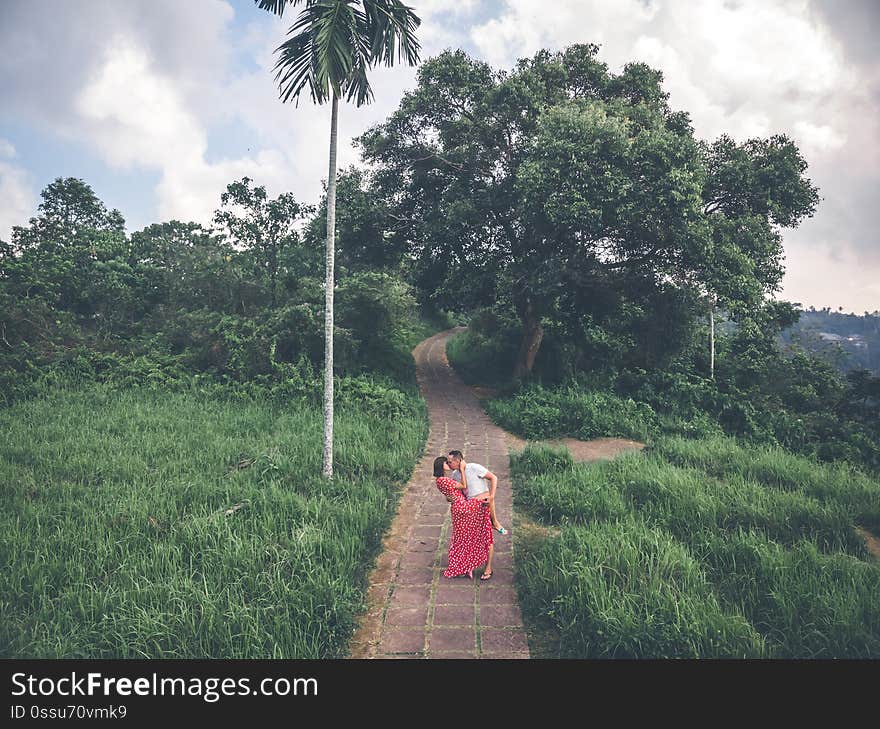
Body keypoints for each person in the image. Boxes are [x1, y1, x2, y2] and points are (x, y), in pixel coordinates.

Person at [433, 456, 495, 580]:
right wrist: (462, 469)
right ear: (442, 466)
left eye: (450, 462)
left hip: (459, 507)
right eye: (447, 463)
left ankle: (467, 566)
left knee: (464, 538)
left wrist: (450, 497)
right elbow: (463, 485)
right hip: (462, 508)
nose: (449, 464)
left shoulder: (442, 480)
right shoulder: (443, 480)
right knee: (485, 501)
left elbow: (450, 494)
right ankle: (494, 522)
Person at [447, 450, 507, 535]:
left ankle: (494, 522)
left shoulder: (473, 467)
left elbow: (493, 477)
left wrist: (492, 496)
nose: (448, 464)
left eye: (450, 462)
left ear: (458, 461)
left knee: (486, 497)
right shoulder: (454, 475)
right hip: (470, 503)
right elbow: (455, 491)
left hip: (483, 499)